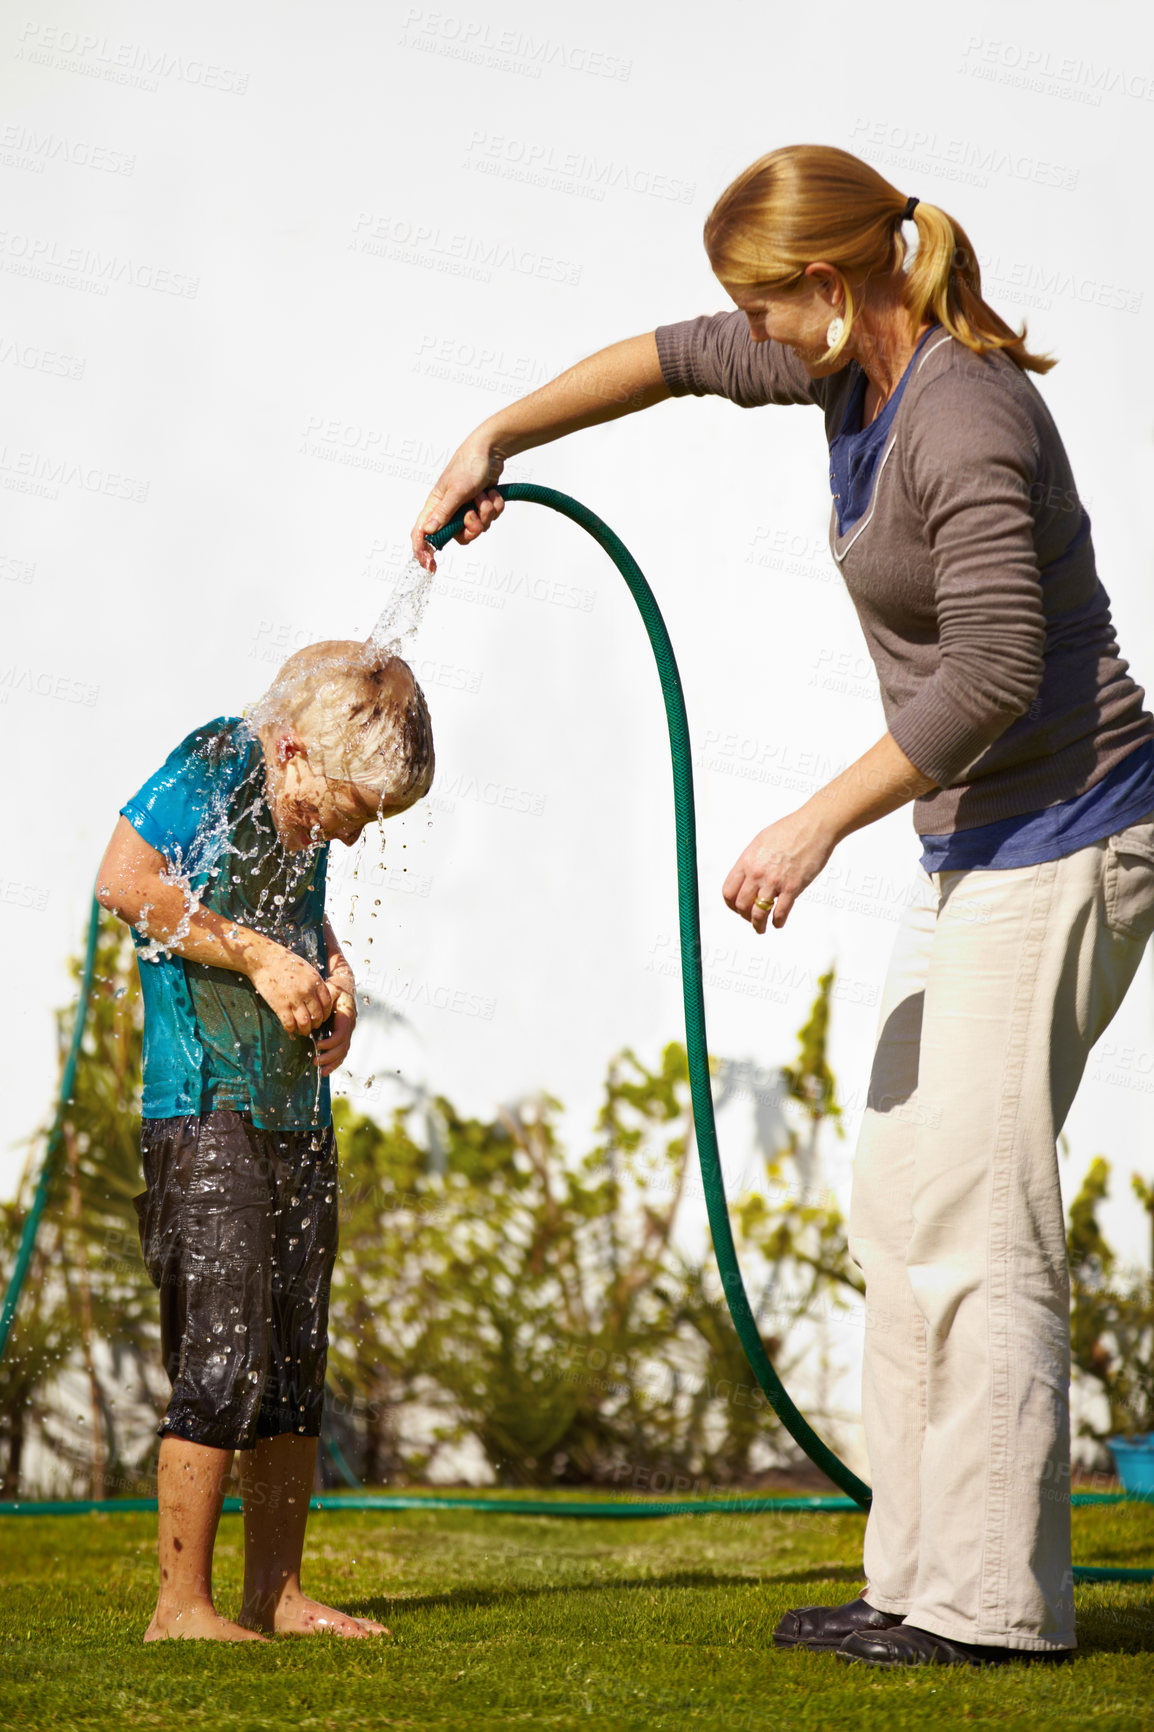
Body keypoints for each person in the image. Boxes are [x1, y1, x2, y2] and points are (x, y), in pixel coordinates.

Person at [409, 144, 1154, 1667]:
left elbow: (1000, 670)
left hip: (1071, 833)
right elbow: (660, 363)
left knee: (976, 1213)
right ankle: (913, 1576)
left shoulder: (961, 413)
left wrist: (812, 822)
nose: (735, 327)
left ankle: (994, 1607)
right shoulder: (841, 374)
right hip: (974, 844)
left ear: (827, 285)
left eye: (757, 299)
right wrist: (494, 431)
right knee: (898, 1197)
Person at [97, 641, 434, 1642]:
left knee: (292, 1357)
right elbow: (123, 880)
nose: (350, 833)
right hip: (201, 1106)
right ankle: (179, 1605)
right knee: (222, 1354)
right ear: (293, 751)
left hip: (291, 1110)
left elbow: (289, 905)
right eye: (347, 810)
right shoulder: (214, 761)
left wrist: (330, 973)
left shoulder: (301, 802)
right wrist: (253, 957)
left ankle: (274, 1594)